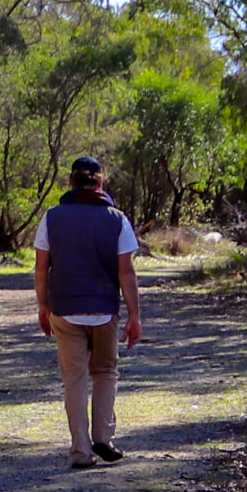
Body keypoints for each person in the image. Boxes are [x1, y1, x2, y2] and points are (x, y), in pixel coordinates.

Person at [33, 156, 142, 469]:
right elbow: (126, 273)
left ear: (71, 182)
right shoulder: (116, 218)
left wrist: (43, 305)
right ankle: (103, 439)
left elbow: (42, 268)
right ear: (100, 183)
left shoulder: (52, 218)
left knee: (75, 379)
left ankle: (81, 451)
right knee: (105, 372)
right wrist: (134, 315)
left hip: (65, 311)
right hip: (105, 311)